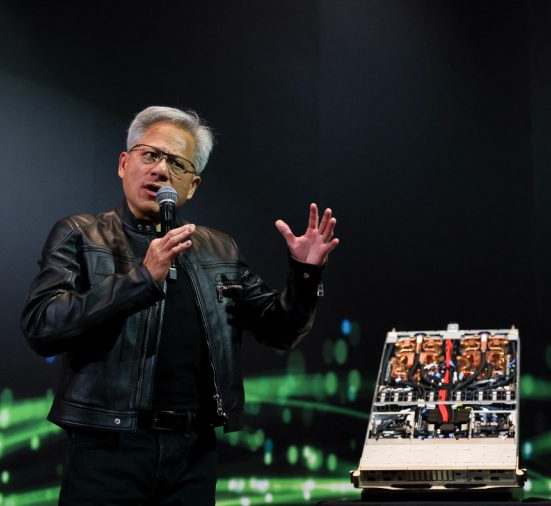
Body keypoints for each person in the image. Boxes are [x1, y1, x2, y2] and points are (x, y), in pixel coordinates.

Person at [20, 106, 339, 505]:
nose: (160, 170)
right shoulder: (81, 235)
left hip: (192, 453)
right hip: (108, 447)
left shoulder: (218, 249)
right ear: (124, 163)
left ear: (192, 186)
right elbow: (43, 326)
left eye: (177, 163)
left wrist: (306, 274)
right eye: (150, 155)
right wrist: (142, 278)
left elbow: (281, 331)